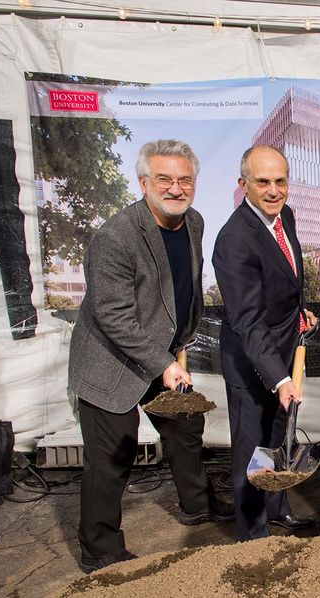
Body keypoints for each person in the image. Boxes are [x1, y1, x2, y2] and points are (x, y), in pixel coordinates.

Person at [69, 139, 232, 573]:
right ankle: (99, 547)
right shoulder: (115, 237)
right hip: (111, 362)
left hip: (162, 354)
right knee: (111, 457)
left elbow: (183, 289)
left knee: (185, 428)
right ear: (144, 183)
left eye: (184, 180)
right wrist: (163, 363)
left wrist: (179, 344)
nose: (175, 188)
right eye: (164, 179)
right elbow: (113, 316)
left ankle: (197, 505)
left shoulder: (192, 221)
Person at [213, 145, 318, 542]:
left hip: (285, 350)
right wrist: (278, 379)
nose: (273, 191)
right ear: (243, 185)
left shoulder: (283, 216)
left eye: (280, 181)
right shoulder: (234, 240)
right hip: (251, 361)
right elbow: (248, 321)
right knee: (252, 448)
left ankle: (278, 510)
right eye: (262, 182)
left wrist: (301, 311)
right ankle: (253, 534)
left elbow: (291, 277)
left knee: (279, 437)